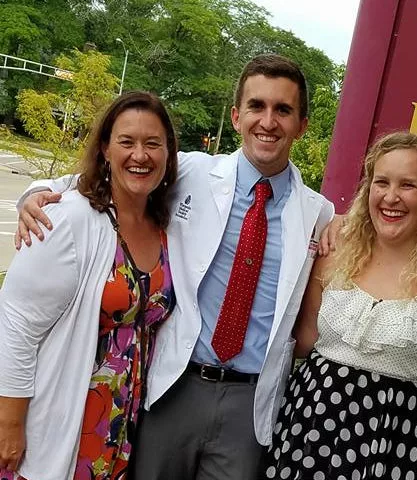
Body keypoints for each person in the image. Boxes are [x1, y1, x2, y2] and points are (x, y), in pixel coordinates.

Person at [13, 54, 334, 480]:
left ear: (302, 124)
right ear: (237, 116)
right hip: (174, 386)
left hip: (250, 403)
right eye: (257, 106)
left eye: (283, 110)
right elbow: (111, 177)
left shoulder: (319, 214)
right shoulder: (194, 173)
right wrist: (35, 193)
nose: (268, 121)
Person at [260, 132, 417, 480]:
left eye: (408, 185)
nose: (391, 197)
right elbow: (301, 342)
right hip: (311, 430)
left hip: (401, 444)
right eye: (382, 182)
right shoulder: (333, 257)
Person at [0, 91, 178, 479]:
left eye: (153, 143)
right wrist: (9, 422)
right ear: (105, 149)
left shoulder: (165, 227)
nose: (140, 155)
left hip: (120, 423)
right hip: (61, 414)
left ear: (169, 152)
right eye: (126, 142)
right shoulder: (70, 219)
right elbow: (16, 323)